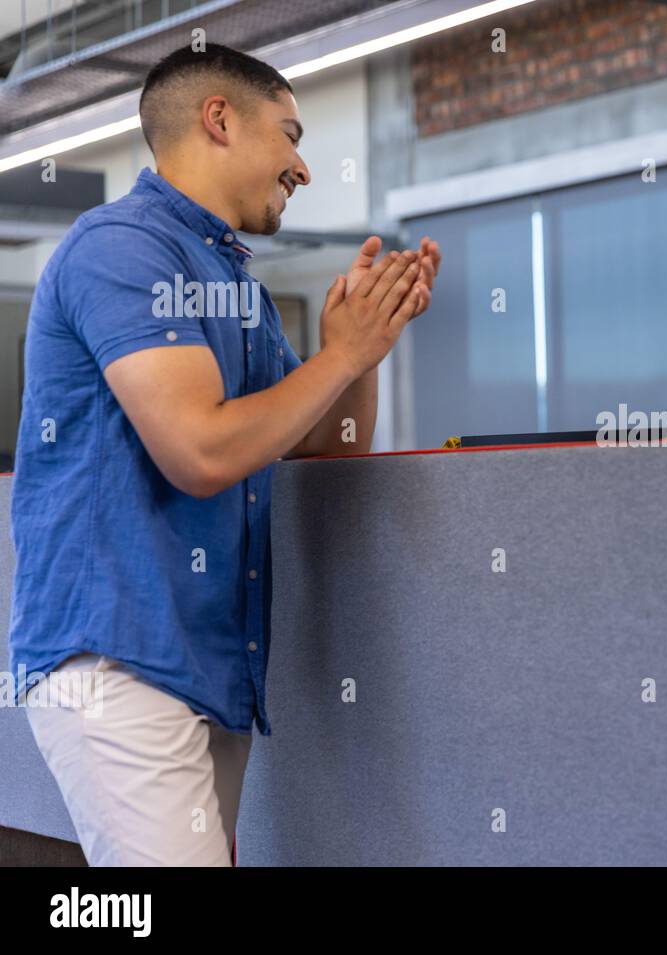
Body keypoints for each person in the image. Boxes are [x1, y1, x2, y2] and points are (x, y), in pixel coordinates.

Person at [8, 43, 439, 865]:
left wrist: (360, 353)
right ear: (219, 119)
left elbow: (319, 450)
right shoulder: (120, 248)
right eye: (290, 134)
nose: (303, 168)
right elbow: (201, 451)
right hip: (118, 660)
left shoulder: (230, 281)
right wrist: (337, 358)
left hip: (209, 669)